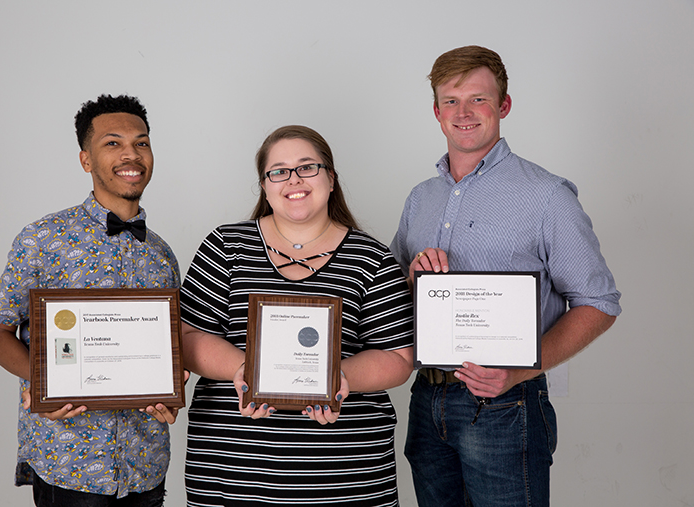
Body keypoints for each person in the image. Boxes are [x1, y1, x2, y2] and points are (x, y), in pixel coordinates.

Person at [390, 46, 622, 506]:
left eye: (478, 98)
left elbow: (599, 302)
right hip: (426, 400)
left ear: (504, 105)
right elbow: (390, 295)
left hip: (505, 406)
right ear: (436, 111)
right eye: (451, 101)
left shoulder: (547, 196)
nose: (464, 113)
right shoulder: (421, 198)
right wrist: (412, 277)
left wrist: (521, 371)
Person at [179, 125, 414, 506]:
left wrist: (340, 378)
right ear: (265, 185)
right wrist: (246, 371)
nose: (294, 180)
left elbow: (400, 359)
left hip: (346, 479)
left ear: (331, 179)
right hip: (233, 474)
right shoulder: (226, 246)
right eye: (279, 171)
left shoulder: (372, 259)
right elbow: (187, 338)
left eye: (308, 167)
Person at [0, 94, 183, 506]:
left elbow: (169, 349)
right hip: (68, 462)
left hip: (145, 465)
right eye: (113, 143)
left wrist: (173, 386)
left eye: (141, 143)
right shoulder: (42, 239)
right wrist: (44, 384)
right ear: (85, 160)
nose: (131, 154)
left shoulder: (162, 255)